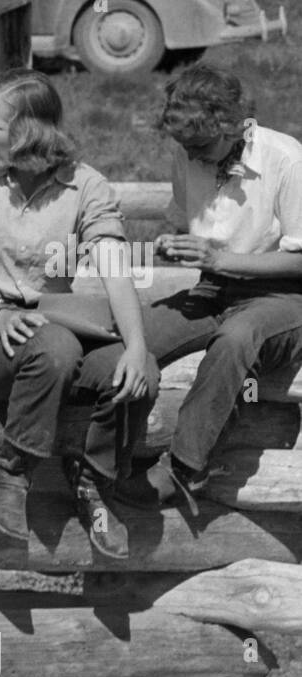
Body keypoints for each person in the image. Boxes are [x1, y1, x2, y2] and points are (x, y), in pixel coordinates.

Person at [0, 67, 158, 559]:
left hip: (50, 325)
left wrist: (138, 349)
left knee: (136, 372)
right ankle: (12, 470)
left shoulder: (85, 186)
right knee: (55, 350)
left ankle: (94, 481)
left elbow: (115, 271)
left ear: (29, 131)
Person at [117, 63, 302, 508]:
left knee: (236, 339)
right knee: (134, 334)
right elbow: (181, 218)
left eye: (200, 144)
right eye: (184, 145)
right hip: (213, 288)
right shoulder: (190, 152)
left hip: (285, 297)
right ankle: (100, 454)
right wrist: (172, 241)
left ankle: (184, 469)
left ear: (231, 124)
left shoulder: (287, 160)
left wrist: (221, 258)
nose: (192, 155)